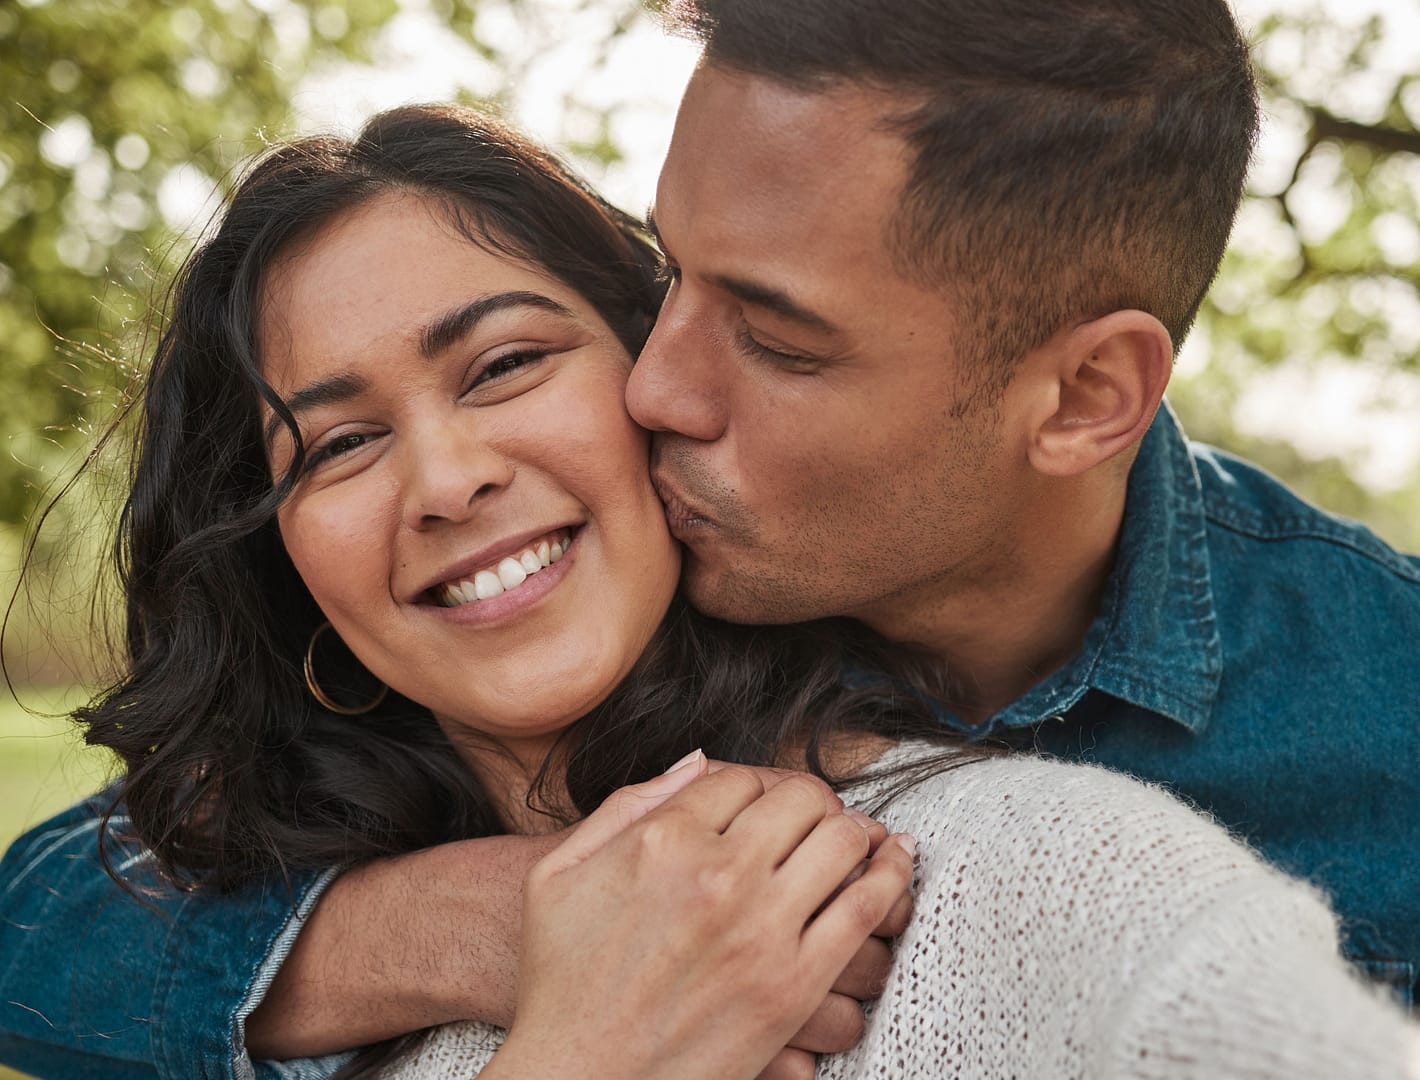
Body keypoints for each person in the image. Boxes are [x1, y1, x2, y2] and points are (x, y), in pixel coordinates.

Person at [4, 0, 1420, 1072]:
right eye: (672, 276)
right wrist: (493, 922)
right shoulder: (628, 641)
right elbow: (53, 910)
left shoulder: (1353, 720)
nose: (656, 387)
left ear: (1083, 397)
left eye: (777, 340)